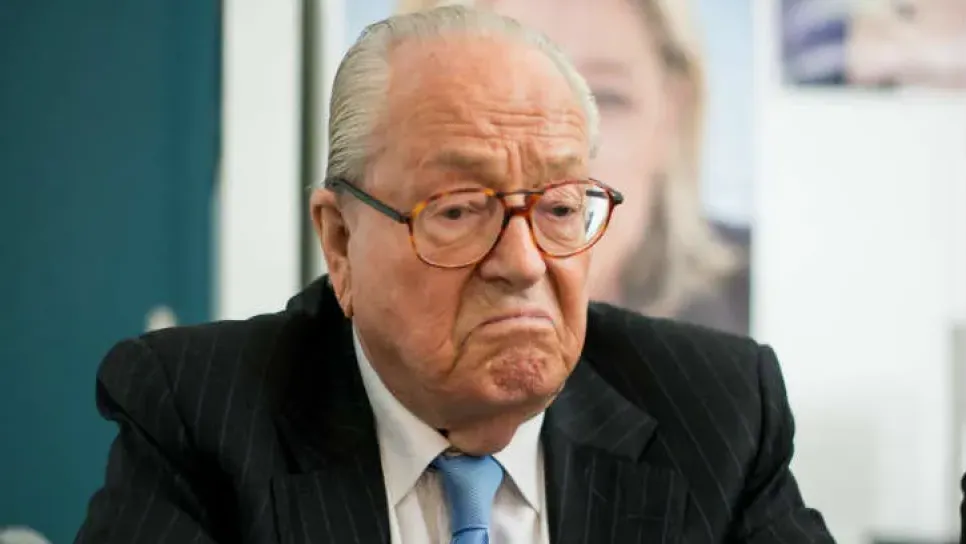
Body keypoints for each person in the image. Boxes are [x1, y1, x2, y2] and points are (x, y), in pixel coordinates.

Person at [76, 6, 832, 543]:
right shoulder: (201, 415)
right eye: (461, 210)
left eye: (559, 208)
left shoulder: (716, 412)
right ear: (339, 241)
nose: (523, 262)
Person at [399, 0, 751, 336]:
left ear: (672, 117)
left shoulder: (766, 290)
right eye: (506, 95)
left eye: (607, 98)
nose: (561, 151)